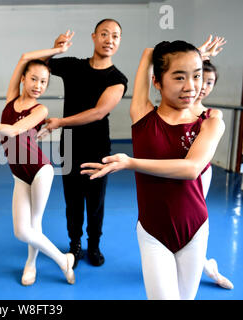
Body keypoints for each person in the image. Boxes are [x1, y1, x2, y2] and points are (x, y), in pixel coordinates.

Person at [80, 39, 226, 299]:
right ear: (157, 81)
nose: (191, 87)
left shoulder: (210, 122)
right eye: (179, 77)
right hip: (153, 232)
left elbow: (191, 168)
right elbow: (148, 52)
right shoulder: (142, 114)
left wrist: (130, 162)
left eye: (197, 76)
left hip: (195, 228)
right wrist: (194, 55)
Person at [0, 44, 75, 286]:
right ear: (22, 78)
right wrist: (55, 49)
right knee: (23, 230)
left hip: (40, 170)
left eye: (43, 82)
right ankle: (63, 260)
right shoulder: (11, 99)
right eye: (33, 78)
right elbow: (23, 56)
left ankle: (36, 264)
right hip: (19, 175)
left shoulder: (40, 109)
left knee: (32, 226)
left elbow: (13, 130)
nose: (38, 85)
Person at [43, 20, 128, 268]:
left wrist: (60, 121)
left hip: (97, 146)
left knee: (95, 200)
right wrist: (55, 48)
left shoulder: (117, 78)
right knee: (72, 198)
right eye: (104, 34)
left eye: (115, 36)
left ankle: (94, 245)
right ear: (93, 37)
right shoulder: (73, 66)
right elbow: (42, 65)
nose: (109, 39)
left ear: (119, 41)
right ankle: (75, 244)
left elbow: (99, 112)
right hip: (69, 144)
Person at [191, 47, 233, 289]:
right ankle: (206, 266)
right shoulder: (174, 111)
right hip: (171, 174)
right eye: (200, 79)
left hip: (199, 173)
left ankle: (208, 268)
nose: (204, 86)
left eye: (210, 82)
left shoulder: (212, 114)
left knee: (195, 223)